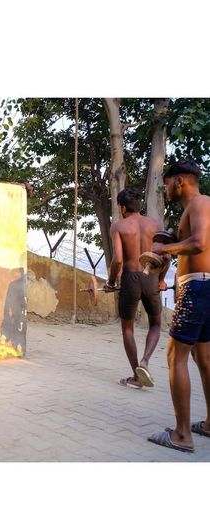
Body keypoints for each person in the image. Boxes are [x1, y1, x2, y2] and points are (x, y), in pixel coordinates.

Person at [148, 160, 210, 453]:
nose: (165, 188)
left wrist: (164, 248)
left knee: (176, 357)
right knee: (203, 357)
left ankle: (182, 435)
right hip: (203, 285)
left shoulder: (199, 203)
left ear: (180, 181)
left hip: (197, 288)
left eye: (167, 183)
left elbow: (199, 243)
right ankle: (209, 424)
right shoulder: (196, 208)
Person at [104, 187, 169, 389]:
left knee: (128, 330)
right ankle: (145, 361)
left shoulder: (119, 226)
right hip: (151, 278)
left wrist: (111, 282)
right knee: (156, 325)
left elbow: (119, 259)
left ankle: (136, 376)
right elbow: (167, 256)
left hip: (131, 278)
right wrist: (161, 279)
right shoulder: (156, 224)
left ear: (122, 208)